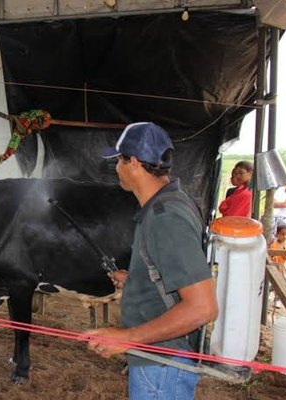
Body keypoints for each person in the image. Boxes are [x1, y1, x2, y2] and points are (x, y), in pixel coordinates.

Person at [85, 122, 218, 399]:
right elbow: (173, 273)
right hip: (162, 359)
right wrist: (137, 280)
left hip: (163, 366)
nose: (116, 168)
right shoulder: (170, 201)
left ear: (132, 162)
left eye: (118, 160)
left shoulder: (165, 217)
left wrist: (126, 337)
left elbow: (202, 307)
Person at [269, 225, 286, 308]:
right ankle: (267, 295)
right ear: (277, 234)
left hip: (281, 269)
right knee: (271, 283)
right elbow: (269, 255)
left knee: (281, 285)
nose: (284, 236)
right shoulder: (273, 244)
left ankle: (277, 300)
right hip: (272, 267)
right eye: (282, 234)